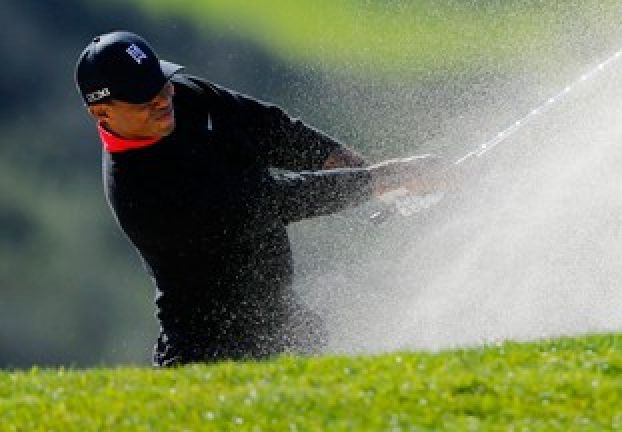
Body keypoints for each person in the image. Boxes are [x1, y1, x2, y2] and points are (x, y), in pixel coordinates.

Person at [75, 30, 447, 366]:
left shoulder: (181, 98)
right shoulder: (141, 191)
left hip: (282, 322)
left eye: (162, 83)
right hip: (209, 354)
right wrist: (380, 180)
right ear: (102, 112)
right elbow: (275, 201)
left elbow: (272, 130)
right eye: (144, 98)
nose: (163, 98)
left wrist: (378, 179)